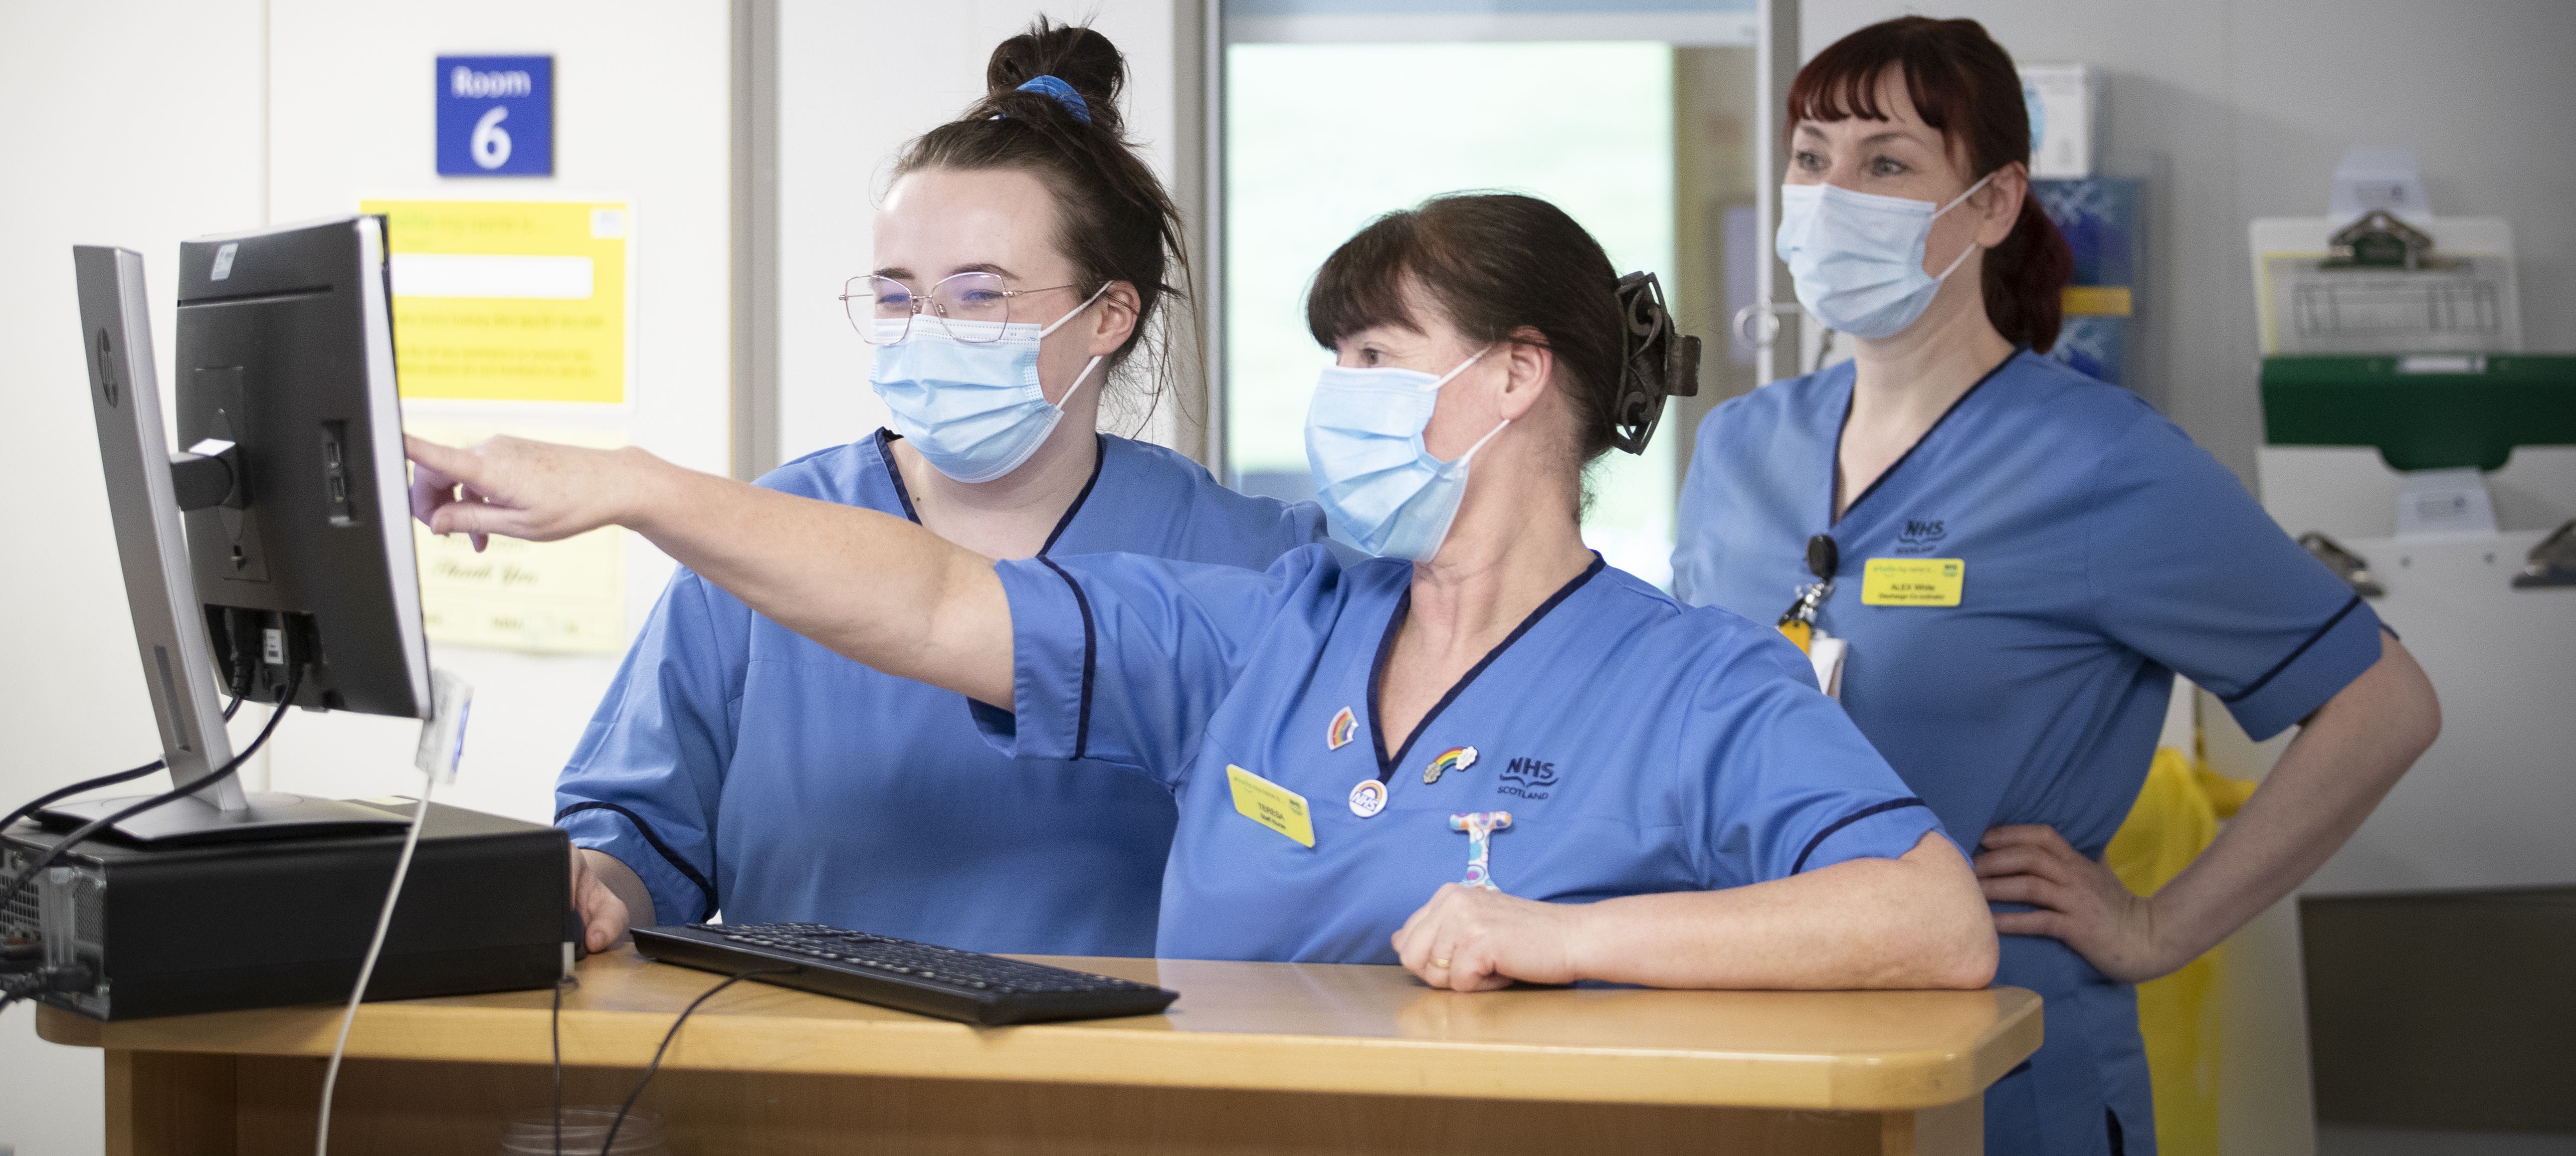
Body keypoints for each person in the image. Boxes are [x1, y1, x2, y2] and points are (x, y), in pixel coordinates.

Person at [418, 192, 2001, 994]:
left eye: (1375, 360)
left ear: (1518, 377)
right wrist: (636, 484)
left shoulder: (1688, 678)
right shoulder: (1270, 620)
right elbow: (931, 601)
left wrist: (1569, 937)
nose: (1340, 397)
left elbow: (1929, 918)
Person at [1670, 16, 2441, 1154]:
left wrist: (2160, 928)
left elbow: (2385, 706)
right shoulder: (1737, 448)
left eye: (1886, 162)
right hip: (1746, 1032)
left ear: (1989, 204)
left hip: (1997, 1063)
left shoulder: (2102, 465)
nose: (1833, 193)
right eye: (1811, 158)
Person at [552, 21, 1333, 958]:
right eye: (894, 295)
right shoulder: (769, 541)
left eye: (978, 294)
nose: (925, 330)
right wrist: (593, 892)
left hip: (1121, 1083)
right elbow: (639, 838)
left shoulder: (1250, 556)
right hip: (793, 1071)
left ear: (1109, 316)